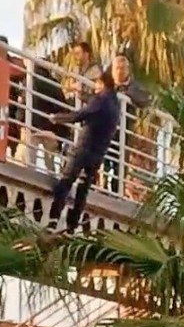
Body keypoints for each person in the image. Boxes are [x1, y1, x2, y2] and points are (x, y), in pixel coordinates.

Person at [47, 71, 120, 234]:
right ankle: (72, 226)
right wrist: (82, 94)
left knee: (66, 181)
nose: (95, 87)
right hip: (98, 153)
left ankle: (53, 220)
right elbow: (95, 106)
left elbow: (80, 115)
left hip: (84, 148)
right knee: (83, 188)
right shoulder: (115, 105)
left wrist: (57, 118)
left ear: (102, 83)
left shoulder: (101, 100)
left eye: (97, 84)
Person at [102, 54, 151, 194]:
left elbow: (144, 100)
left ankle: (116, 192)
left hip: (123, 131)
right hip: (104, 129)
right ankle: (102, 189)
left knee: (119, 165)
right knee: (103, 162)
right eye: (117, 68)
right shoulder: (106, 85)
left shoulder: (134, 87)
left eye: (122, 68)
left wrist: (125, 95)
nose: (119, 71)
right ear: (112, 70)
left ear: (128, 70)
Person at [14, 63, 70, 171]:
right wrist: (59, 134)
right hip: (50, 129)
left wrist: (20, 124)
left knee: (25, 159)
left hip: (32, 126)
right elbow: (63, 109)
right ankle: (52, 176)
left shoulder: (29, 79)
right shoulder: (54, 84)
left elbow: (23, 103)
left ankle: (25, 173)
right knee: (49, 163)